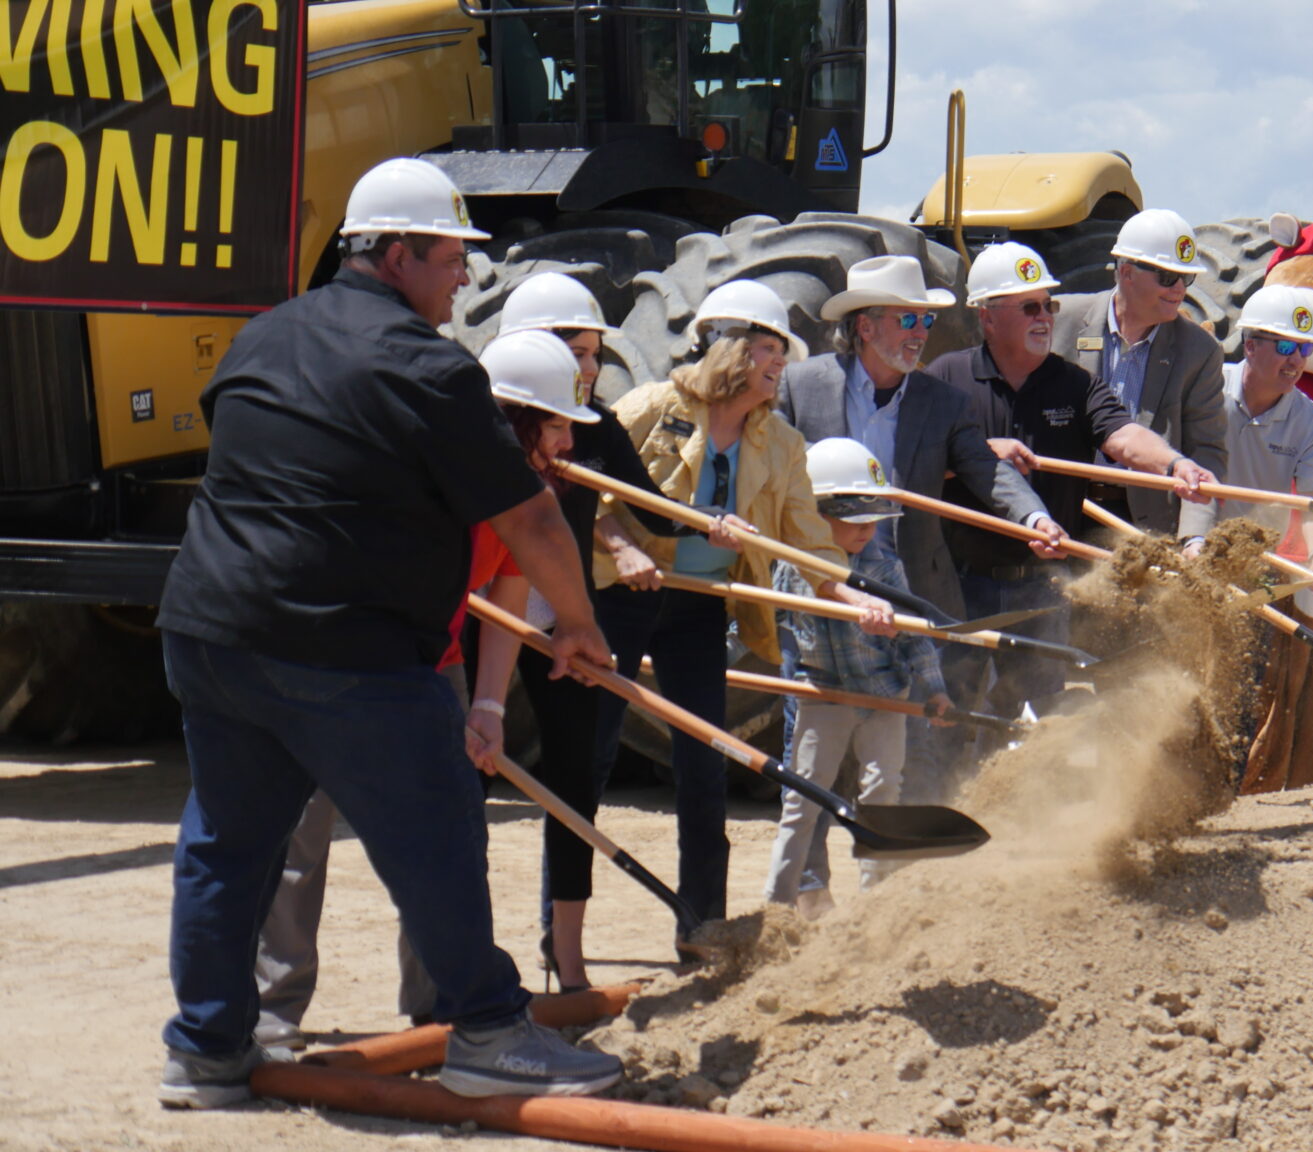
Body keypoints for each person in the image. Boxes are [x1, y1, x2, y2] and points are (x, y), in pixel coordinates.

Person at [153, 157, 622, 1107]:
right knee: (437, 831)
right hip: (346, 648)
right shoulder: (428, 367)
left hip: (211, 630)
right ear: (398, 254)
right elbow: (530, 518)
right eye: (452, 257)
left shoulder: (261, 337)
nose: (464, 278)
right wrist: (580, 628)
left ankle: (205, 1053)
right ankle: (490, 1033)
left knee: (227, 843)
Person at [595, 279, 895, 950]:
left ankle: (701, 924)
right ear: (727, 349)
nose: (778, 365)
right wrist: (623, 549)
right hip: (623, 597)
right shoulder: (648, 409)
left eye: (780, 354)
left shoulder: (780, 443)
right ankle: (565, 928)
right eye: (767, 349)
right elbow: (591, 495)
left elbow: (808, 542)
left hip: (700, 609)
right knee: (588, 757)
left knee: (704, 764)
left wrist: (852, 595)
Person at [776, 254, 1060, 802]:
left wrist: (1033, 516)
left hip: (910, 594)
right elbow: (774, 478)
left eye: (926, 321)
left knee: (917, 744)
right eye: (908, 319)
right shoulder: (800, 386)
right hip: (823, 587)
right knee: (806, 754)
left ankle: (909, 873)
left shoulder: (942, 401)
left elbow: (985, 468)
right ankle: (805, 882)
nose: (921, 333)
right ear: (865, 325)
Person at [925, 241, 1216, 732]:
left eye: (1049, 305)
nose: (1045, 318)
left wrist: (1175, 464)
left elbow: (1123, 437)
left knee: (1037, 713)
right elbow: (913, 465)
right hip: (961, 581)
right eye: (1030, 307)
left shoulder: (1075, 385)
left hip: (1042, 584)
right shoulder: (945, 379)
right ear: (987, 317)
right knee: (954, 714)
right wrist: (978, 452)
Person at [483, 272, 677, 993]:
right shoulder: (482, 434)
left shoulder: (593, 426)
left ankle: (567, 956)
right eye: (573, 349)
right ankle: (464, 961)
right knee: (465, 780)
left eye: (594, 354)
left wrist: (711, 523)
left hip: (564, 618)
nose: (588, 370)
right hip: (484, 613)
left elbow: (655, 514)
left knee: (573, 780)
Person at [765, 439, 954, 918]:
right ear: (814, 513)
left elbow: (916, 640)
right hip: (822, 694)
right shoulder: (790, 569)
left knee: (881, 795)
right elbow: (760, 621)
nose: (867, 530)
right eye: (855, 520)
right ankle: (779, 908)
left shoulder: (886, 567)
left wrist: (935, 689)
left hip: (884, 696)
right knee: (802, 800)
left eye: (874, 519)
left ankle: (875, 903)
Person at [1050, 208, 1228, 542]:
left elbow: (1206, 453)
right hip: (1059, 512)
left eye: (1186, 278)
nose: (1179, 289)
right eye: (1166, 277)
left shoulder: (1200, 352)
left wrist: (1194, 538)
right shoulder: (1058, 320)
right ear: (1127, 272)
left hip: (1142, 523)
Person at [1178, 284, 1313, 585]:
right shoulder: (1208, 389)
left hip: (1254, 559)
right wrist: (1194, 540)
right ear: (1250, 346)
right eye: (1285, 347)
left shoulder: (1311, 421)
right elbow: (1191, 468)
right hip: (1190, 546)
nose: (1297, 361)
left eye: (1305, 349)